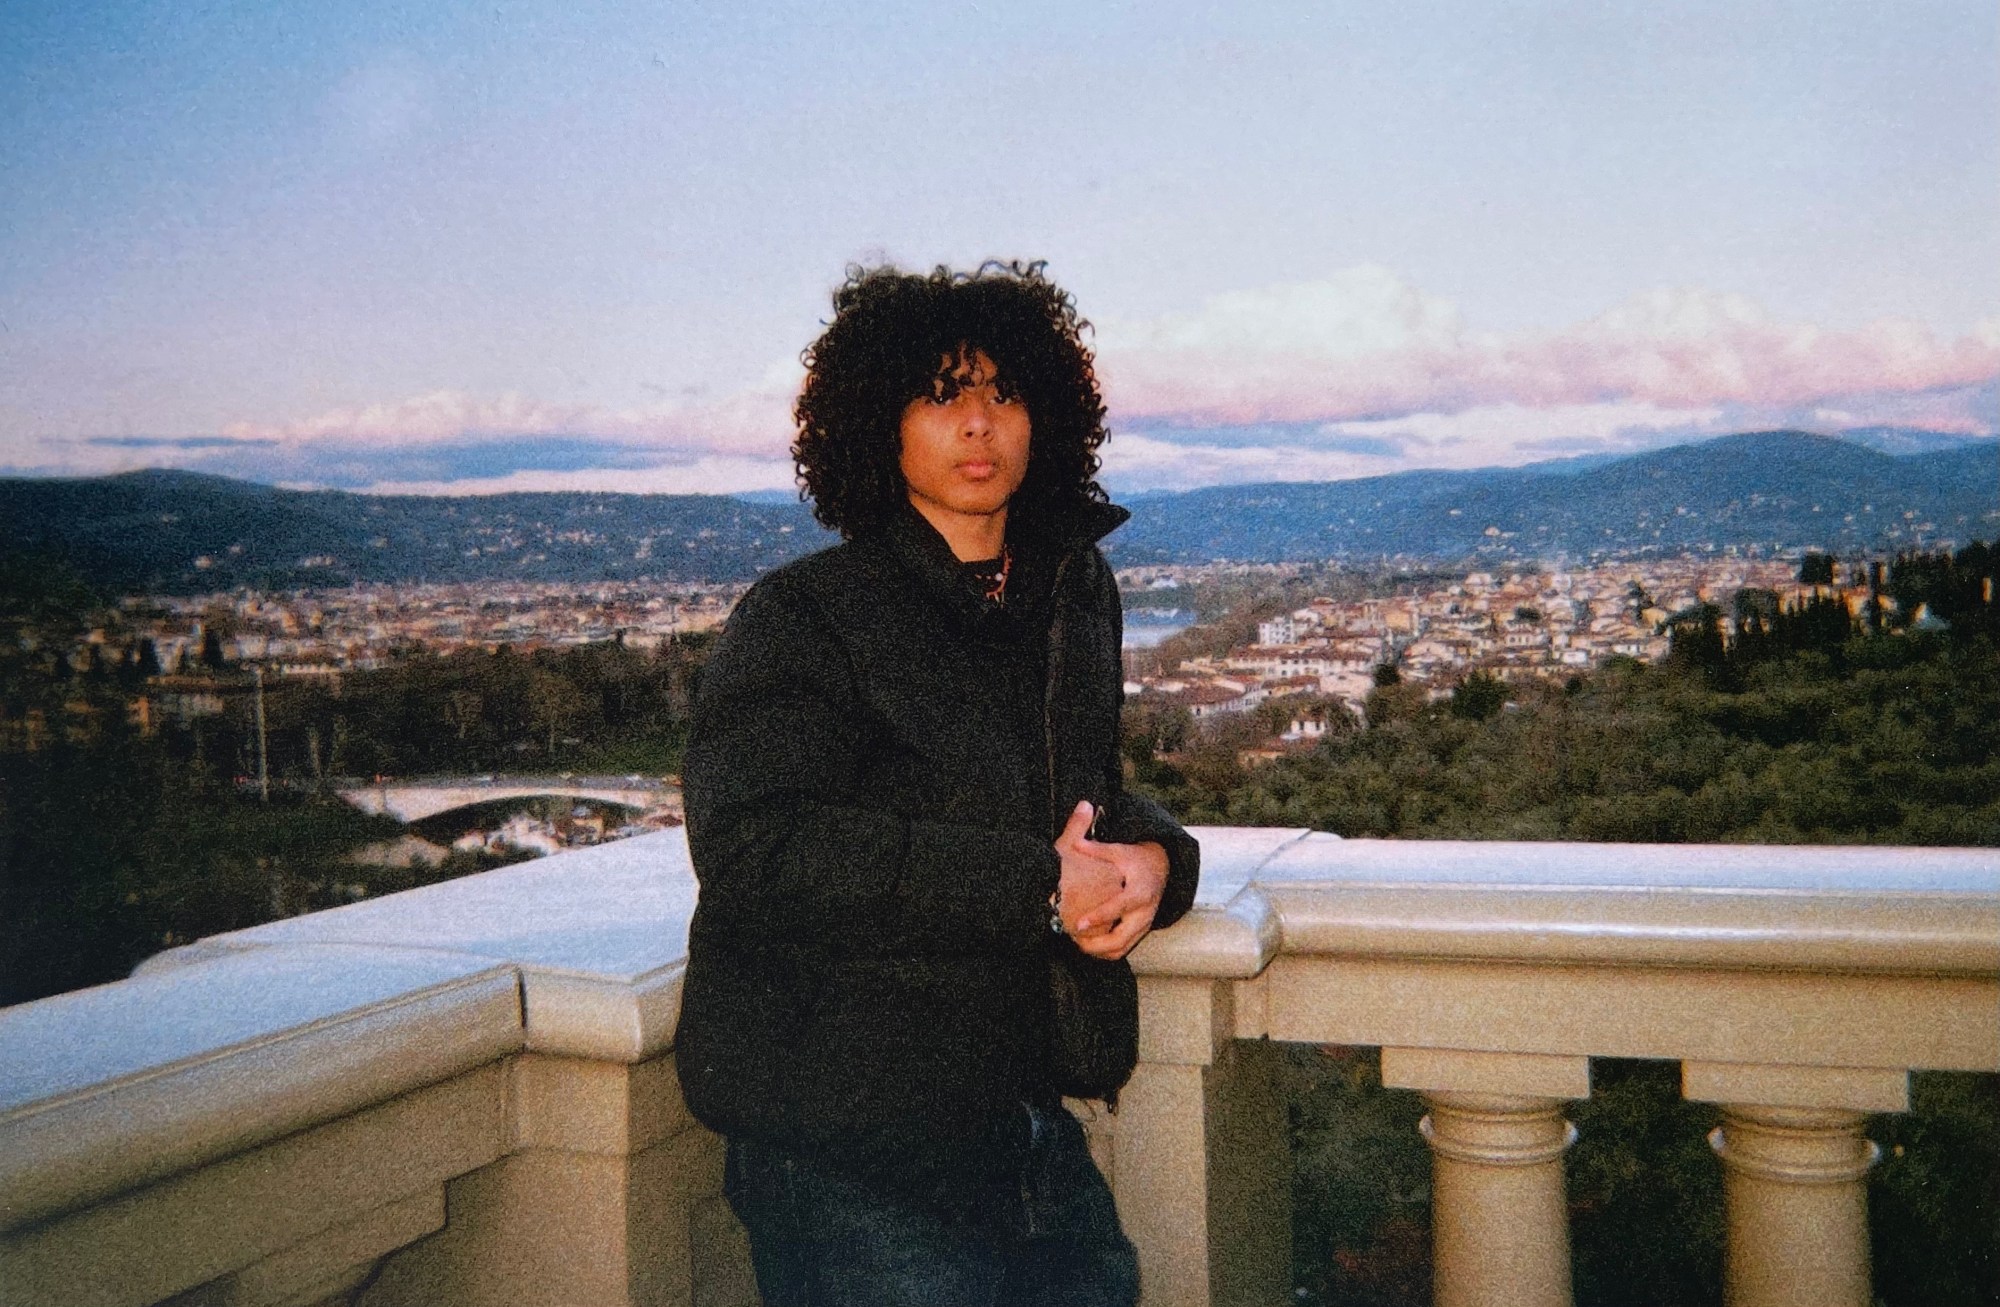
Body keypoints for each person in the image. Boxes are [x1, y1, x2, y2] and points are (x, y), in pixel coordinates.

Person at [676, 261, 1201, 1306]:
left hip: (1020, 1120)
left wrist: (1157, 860)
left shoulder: (1065, 590)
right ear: (878, 422)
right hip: (847, 1142)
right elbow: (754, 848)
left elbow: (1080, 790)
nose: (977, 423)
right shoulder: (806, 615)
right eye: (941, 393)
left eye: (1003, 392)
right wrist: (1036, 887)